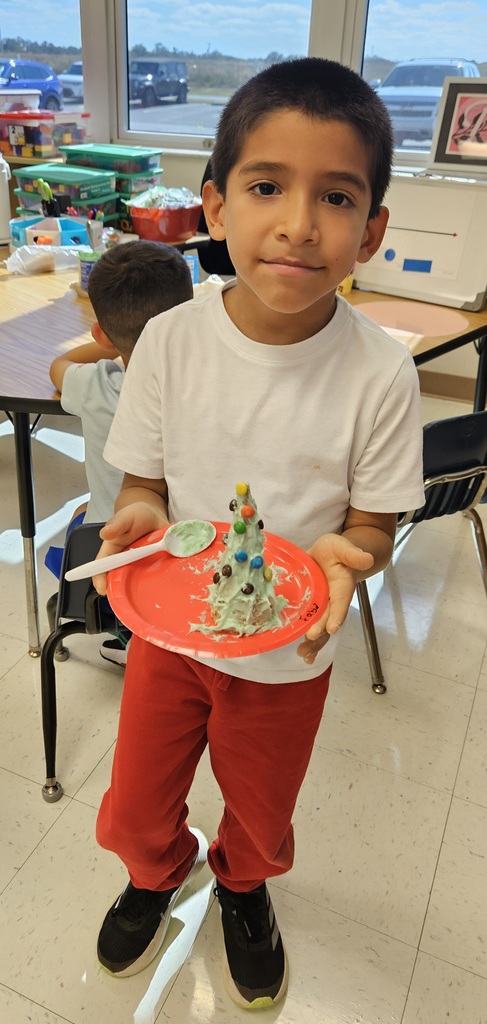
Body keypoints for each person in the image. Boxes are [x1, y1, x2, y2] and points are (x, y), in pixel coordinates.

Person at [92, 58, 425, 1008]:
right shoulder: (170, 340)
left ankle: (243, 885)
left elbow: (371, 524)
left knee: (264, 803)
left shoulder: (377, 376)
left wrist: (349, 561)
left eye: (335, 196)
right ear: (214, 207)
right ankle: (154, 871)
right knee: (136, 794)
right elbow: (145, 479)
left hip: (287, 654)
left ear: (370, 230)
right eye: (266, 187)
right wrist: (142, 511)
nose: (297, 223)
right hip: (171, 633)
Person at [46, 240, 193, 664]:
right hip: (184, 544)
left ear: (103, 335)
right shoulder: (206, 388)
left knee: (84, 516)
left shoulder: (99, 384)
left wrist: (109, 342)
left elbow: (57, 366)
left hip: (112, 548)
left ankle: (127, 631)